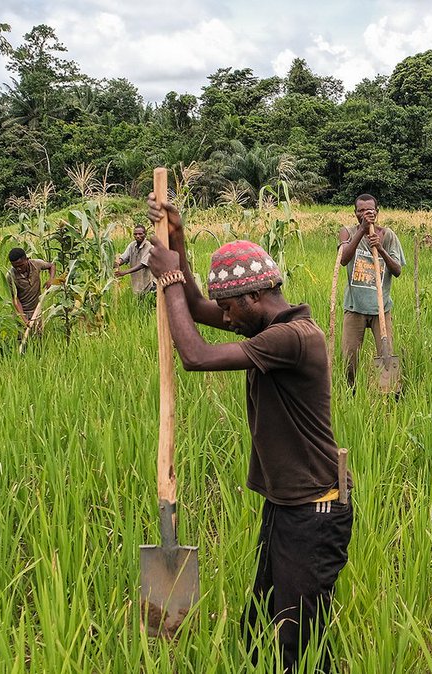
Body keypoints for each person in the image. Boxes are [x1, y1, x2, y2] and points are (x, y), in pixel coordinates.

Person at [144, 197, 352, 673]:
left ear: (253, 299)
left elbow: (195, 355)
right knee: (260, 628)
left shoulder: (294, 337)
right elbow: (196, 308)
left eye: (230, 309)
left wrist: (170, 276)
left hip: (314, 511)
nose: (226, 317)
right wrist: (176, 236)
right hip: (286, 506)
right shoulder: (265, 320)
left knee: (300, 647)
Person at [338, 194, 404, 389]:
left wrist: (381, 249)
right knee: (349, 359)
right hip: (354, 307)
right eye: (361, 211)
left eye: (370, 211)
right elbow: (343, 259)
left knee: (386, 356)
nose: (365, 214)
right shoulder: (347, 232)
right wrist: (362, 231)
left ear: (377, 212)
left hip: (381, 308)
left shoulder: (388, 235)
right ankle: (351, 393)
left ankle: (389, 396)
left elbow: (397, 270)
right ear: (355, 213)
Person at [7, 248, 57, 330]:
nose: (18, 269)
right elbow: (15, 299)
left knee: (39, 336)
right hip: (22, 312)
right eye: (15, 267)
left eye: (21, 265)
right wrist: (24, 319)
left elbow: (51, 266)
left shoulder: (36, 264)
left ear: (27, 260)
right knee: (22, 338)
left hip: (37, 309)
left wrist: (51, 279)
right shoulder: (11, 276)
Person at [114, 224, 155, 293]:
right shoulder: (132, 245)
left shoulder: (150, 247)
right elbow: (124, 257)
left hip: (150, 283)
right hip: (138, 283)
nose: (137, 236)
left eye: (140, 234)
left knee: (148, 300)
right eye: (135, 234)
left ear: (145, 234)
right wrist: (117, 262)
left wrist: (125, 272)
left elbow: (143, 264)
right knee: (139, 301)